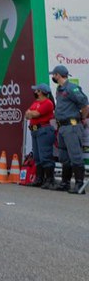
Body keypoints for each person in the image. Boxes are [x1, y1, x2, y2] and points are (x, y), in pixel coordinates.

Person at [49, 65, 89, 194]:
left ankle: (79, 184)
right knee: (64, 157)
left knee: (75, 155)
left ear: (58, 75)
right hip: (62, 127)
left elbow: (85, 105)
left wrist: (82, 118)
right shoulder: (59, 89)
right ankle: (65, 183)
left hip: (71, 126)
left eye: (54, 75)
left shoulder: (72, 88)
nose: (53, 77)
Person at [23, 83, 55, 188]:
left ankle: (49, 180)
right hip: (35, 129)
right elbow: (27, 114)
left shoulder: (48, 103)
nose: (35, 92)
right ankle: (39, 179)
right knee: (37, 156)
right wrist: (30, 113)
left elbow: (35, 114)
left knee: (45, 155)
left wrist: (31, 113)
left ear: (41, 92)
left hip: (43, 129)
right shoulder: (36, 103)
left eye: (37, 90)